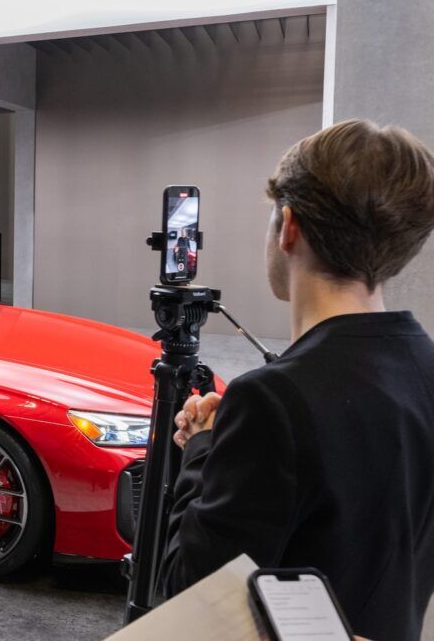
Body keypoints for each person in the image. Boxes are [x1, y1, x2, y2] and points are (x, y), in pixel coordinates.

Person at [161, 119, 434, 640]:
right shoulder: (425, 363)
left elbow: (191, 593)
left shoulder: (274, 401)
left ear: (289, 227)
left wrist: (201, 450)